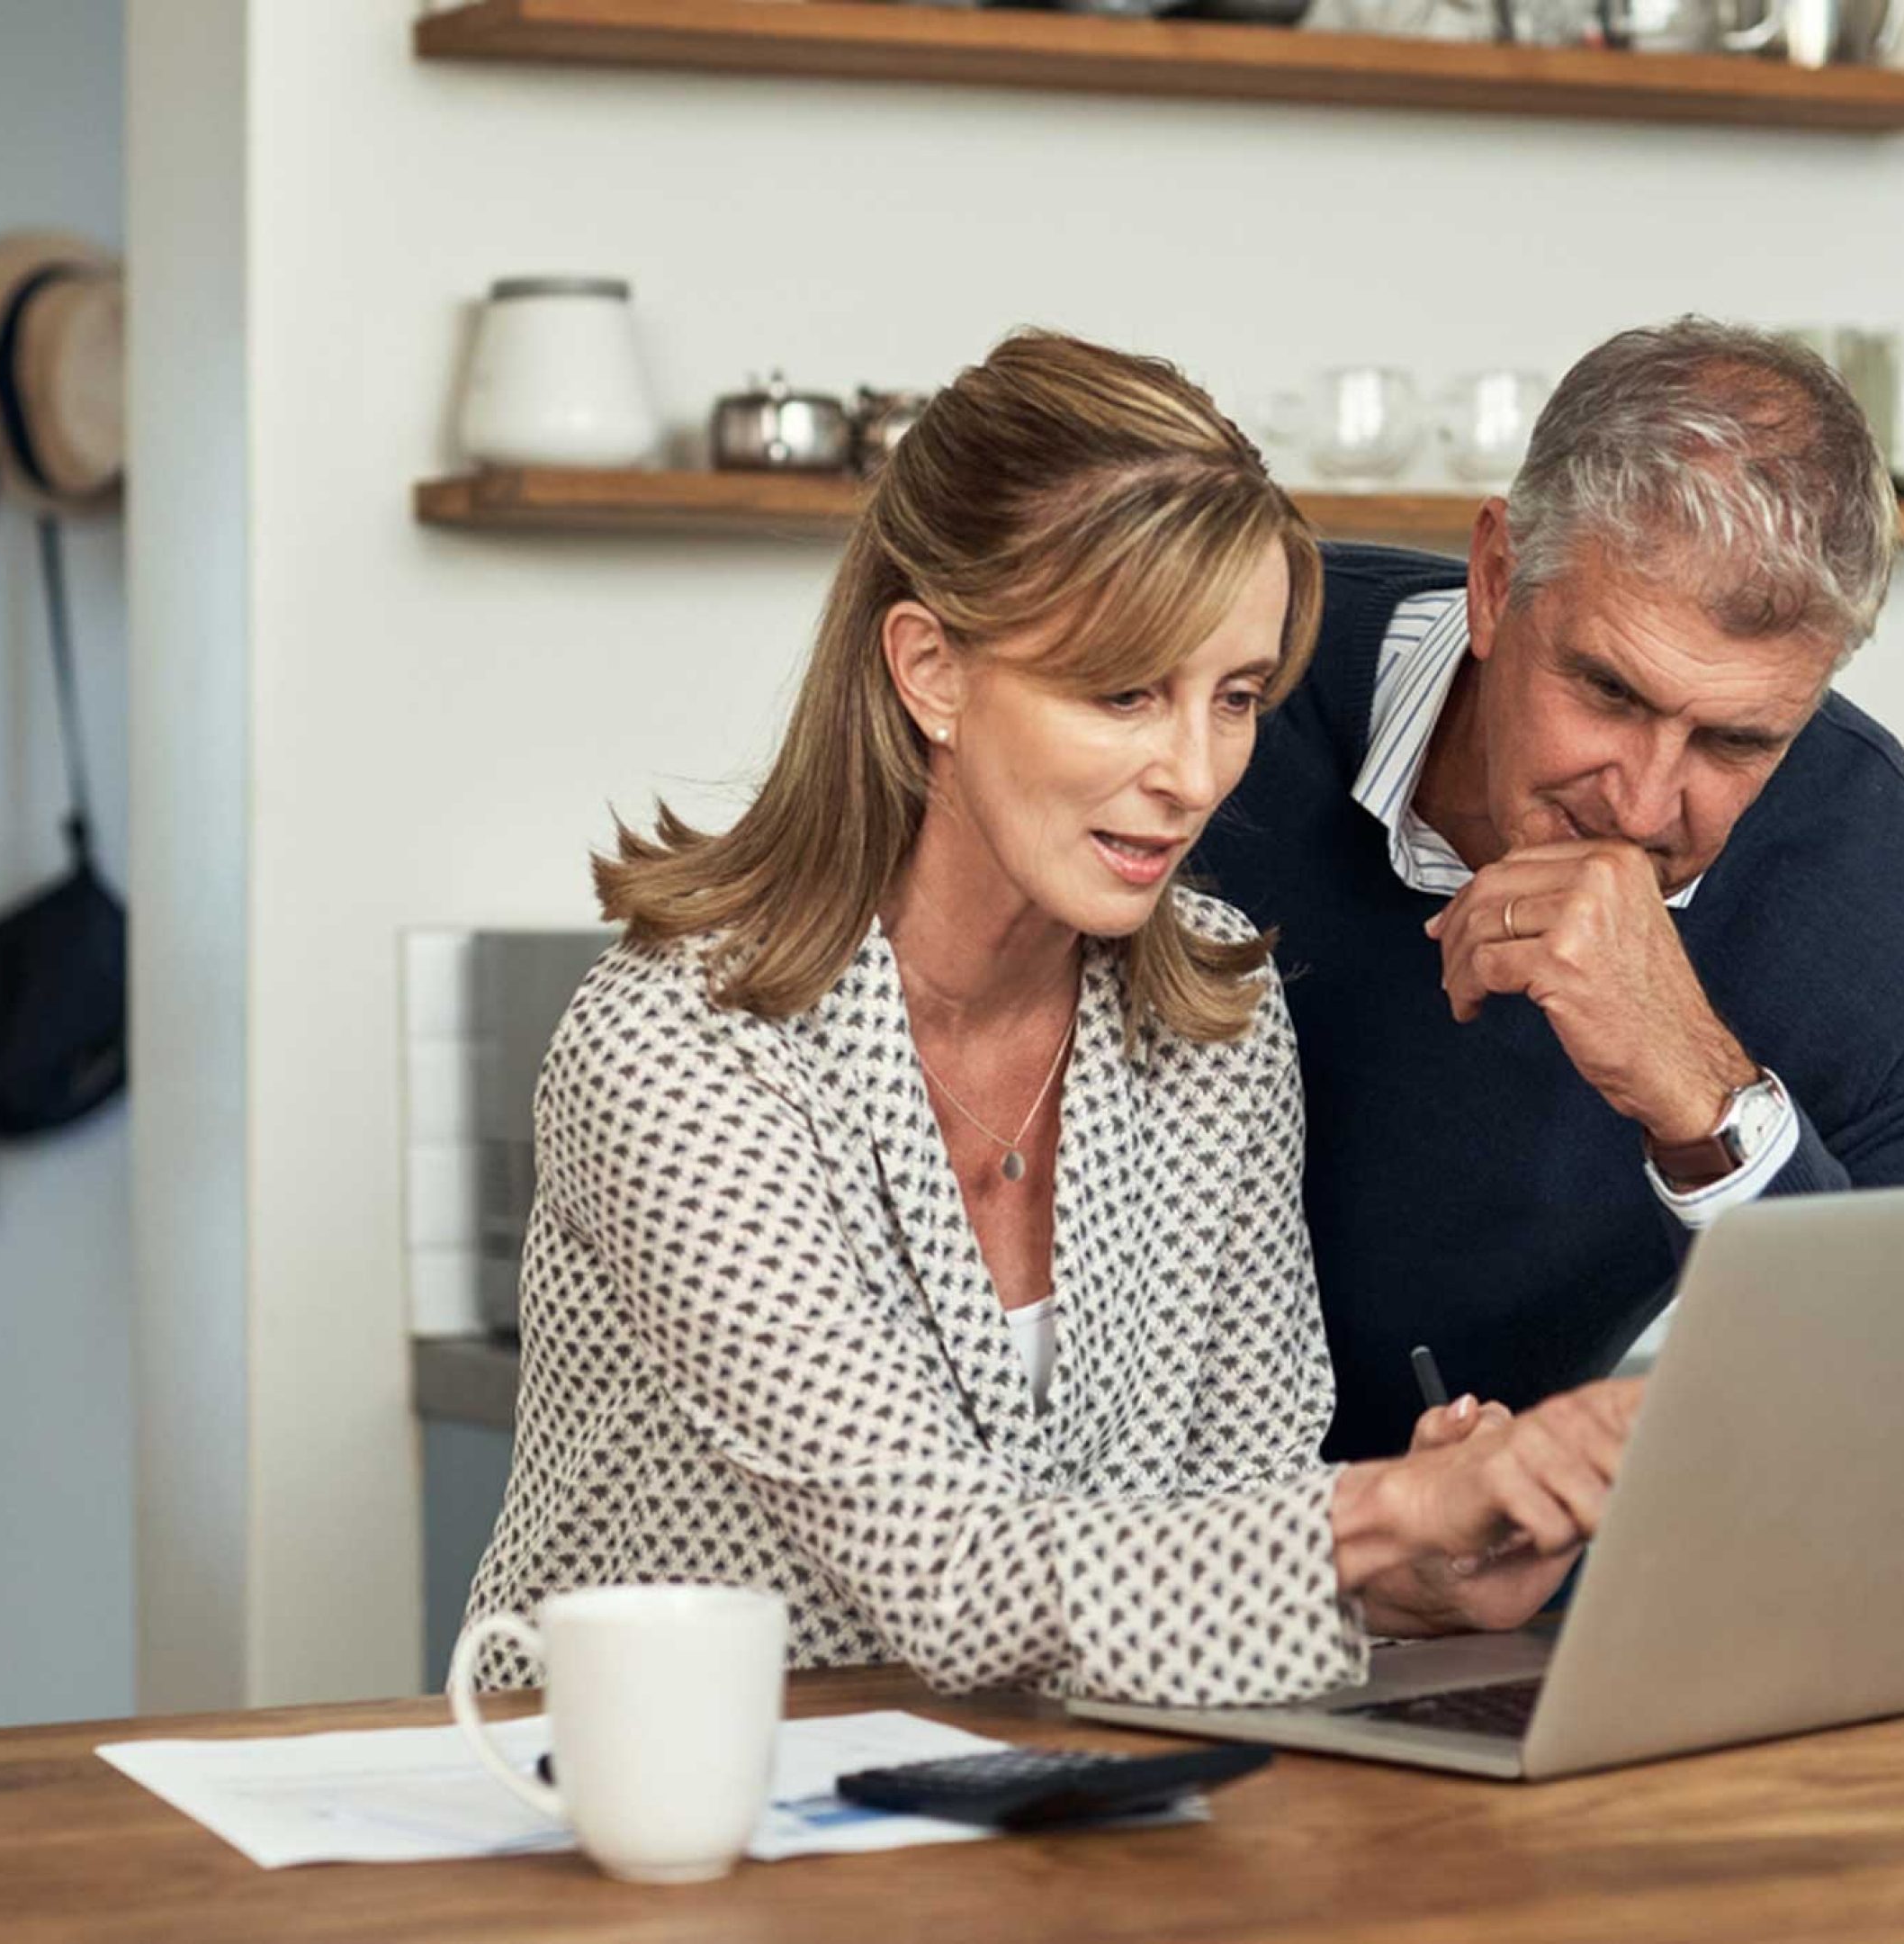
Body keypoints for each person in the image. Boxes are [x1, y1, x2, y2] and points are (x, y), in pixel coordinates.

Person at [462, 331, 1643, 1708]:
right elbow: (947, 1574)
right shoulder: (679, 1050)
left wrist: (1410, 1584)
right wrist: (1388, 1516)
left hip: (1050, 1819)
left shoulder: (1216, 1023)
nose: (1194, 773)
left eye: (1238, 698)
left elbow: (1227, 1509)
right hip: (665, 1825)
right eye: (1123, 691)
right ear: (931, 670)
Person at [1192, 318, 1904, 1462]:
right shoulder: (1225, 695)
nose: (1641, 804)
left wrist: (1704, 1098)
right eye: (1610, 693)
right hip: (1107, 1563)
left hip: (1491, 1586)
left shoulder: (1880, 892)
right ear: (1494, 577)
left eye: (1734, 741)